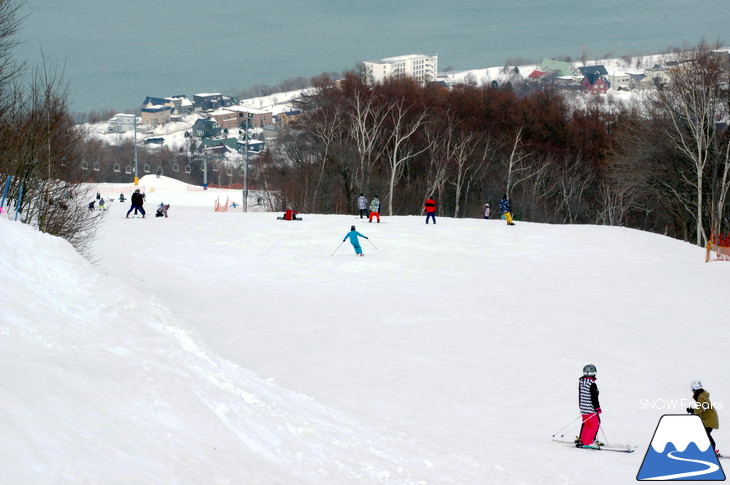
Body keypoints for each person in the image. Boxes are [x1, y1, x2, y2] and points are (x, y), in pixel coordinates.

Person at [687, 380, 719, 454]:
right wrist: (694, 412)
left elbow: (701, 408)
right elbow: (703, 408)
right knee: (704, 434)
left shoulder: (701, 397)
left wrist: (693, 410)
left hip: (709, 420)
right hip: (710, 418)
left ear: (694, 389)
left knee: (704, 434)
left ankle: (711, 451)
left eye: (693, 391)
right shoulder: (702, 396)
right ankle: (710, 450)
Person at [577, 364, 603, 448]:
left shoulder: (581, 382)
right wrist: (597, 408)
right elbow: (594, 398)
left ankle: (583, 440)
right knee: (594, 425)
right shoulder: (592, 384)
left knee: (587, 424)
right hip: (590, 409)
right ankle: (588, 442)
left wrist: (581, 406)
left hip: (583, 409)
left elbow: (580, 395)